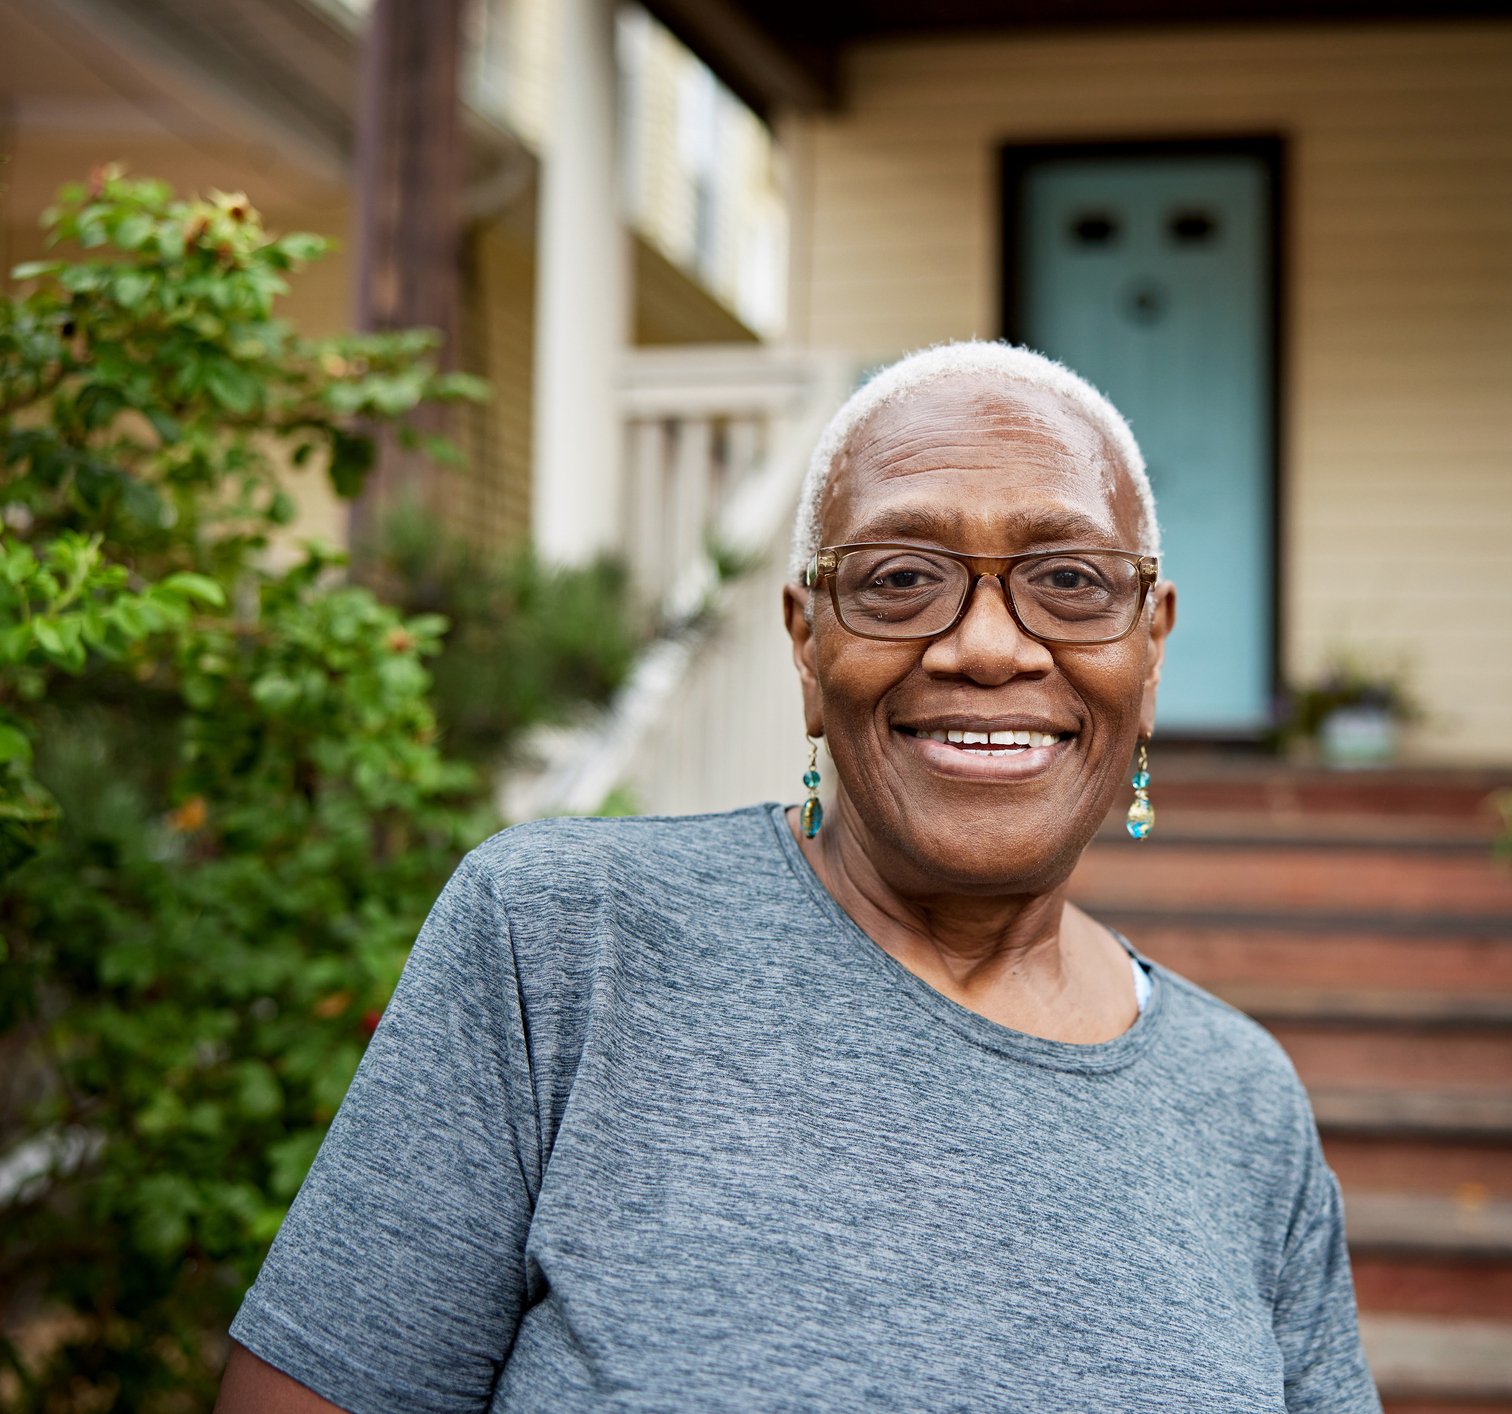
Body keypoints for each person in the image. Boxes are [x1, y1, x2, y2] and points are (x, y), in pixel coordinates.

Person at [214, 342, 1379, 1413]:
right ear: (807, 645)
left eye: (1069, 578)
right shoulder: (568, 944)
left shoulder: (1241, 1102)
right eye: (899, 577)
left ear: (1150, 648)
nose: (985, 645)